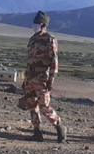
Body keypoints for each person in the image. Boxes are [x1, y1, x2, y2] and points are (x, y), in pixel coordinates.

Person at [23, 11, 66, 143]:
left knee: (44, 106)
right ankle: (37, 132)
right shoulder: (32, 39)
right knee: (32, 105)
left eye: (36, 24)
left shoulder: (50, 39)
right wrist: (25, 79)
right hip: (30, 77)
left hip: (42, 78)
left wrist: (51, 79)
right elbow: (29, 59)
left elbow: (54, 61)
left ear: (42, 24)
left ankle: (59, 127)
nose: (33, 26)